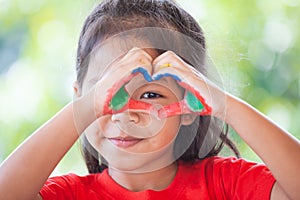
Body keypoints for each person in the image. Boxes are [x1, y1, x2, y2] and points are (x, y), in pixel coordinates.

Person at [0, 0, 299, 199]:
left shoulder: (225, 184)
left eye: (151, 94)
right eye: (106, 93)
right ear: (80, 99)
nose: (125, 115)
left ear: (192, 104)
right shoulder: (70, 194)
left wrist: (225, 105)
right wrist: (86, 108)